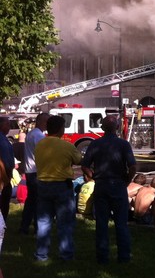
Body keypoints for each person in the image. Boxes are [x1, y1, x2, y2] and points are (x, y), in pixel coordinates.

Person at [81, 115, 137, 264]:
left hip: (101, 185)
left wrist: (93, 176)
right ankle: (124, 257)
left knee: (101, 223)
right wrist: (128, 180)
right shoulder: (124, 144)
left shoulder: (95, 144)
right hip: (118, 185)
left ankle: (102, 257)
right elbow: (133, 166)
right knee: (121, 223)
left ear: (102, 128)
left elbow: (84, 166)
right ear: (118, 127)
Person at [34, 115, 82, 262]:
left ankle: (41, 254)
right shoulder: (66, 146)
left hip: (42, 185)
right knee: (65, 223)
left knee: (43, 222)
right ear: (61, 129)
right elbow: (78, 160)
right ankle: (66, 255)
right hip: (62, 186)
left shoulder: (40, 145)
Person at [20, 112, 49, 234]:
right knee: (38, 201)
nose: (49, 124)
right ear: (42, 121)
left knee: (31, 200)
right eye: (47, 122)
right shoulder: (38, 136)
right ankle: (38, 227)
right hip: (36, 172)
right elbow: (43, 154)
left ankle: (24, 227)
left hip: (30, 171)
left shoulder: (32, 134)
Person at [0, 117, 14, 221]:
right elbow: (5, 160)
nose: (9, 127)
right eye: (7, 124)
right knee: (3, 202)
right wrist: (8, 176)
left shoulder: (4, 138)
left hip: (5, 174)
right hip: (3, 176)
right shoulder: (2, 140)